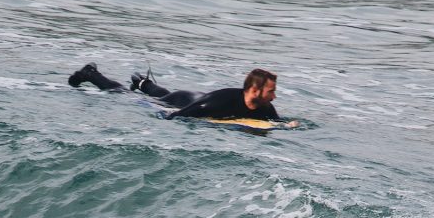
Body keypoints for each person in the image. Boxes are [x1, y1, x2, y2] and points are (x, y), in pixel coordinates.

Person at [69, 64, 298, 126]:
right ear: (255, 91)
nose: (274, 97)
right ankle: (92, 74)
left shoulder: (265, 108)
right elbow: (176, 117)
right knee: (125, 96)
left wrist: (289, 125)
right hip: (188, 101)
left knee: (161, 93)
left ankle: (142, 82)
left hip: (194, 96)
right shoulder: (221, 100)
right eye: (271, 91)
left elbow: (275, 124)